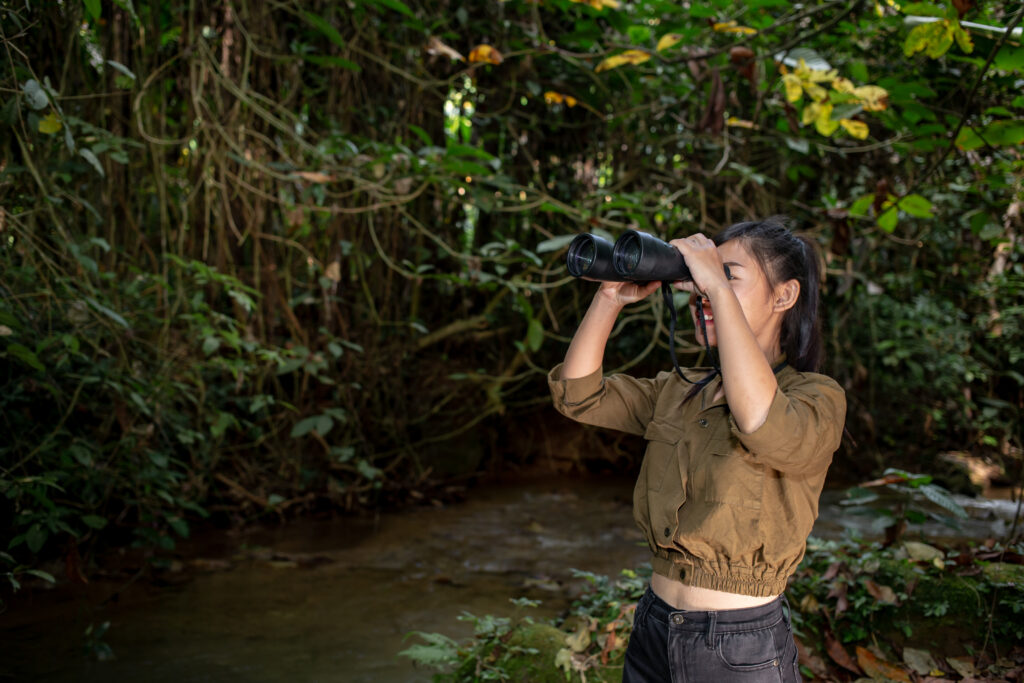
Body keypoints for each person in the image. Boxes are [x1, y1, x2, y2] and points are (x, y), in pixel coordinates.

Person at [548, 217, 846, 682]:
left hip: (740, 647)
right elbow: (577, 395)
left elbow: (760, 420)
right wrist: (609, 298)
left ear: (784, 296)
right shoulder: (681, 389)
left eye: (728, 275)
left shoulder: (817, 398)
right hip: (655, 627)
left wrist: (714, 288)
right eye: (700, 280)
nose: (702, 293)